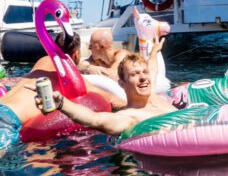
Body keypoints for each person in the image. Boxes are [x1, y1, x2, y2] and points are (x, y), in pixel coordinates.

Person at [0, 34, 127, 149]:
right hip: (9, 120)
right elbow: (109, 98)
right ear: (76, 54)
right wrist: (133, 108)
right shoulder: (68, 73)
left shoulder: (43, 60)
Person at [34, 42, 175, 136]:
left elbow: (152, 68)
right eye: (134, 74)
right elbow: (94, 119)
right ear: (122, 84)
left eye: (144, 72)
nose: (143, 77)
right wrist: (61, 104)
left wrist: (155, 50)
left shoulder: (153, 94)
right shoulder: (130, 117)